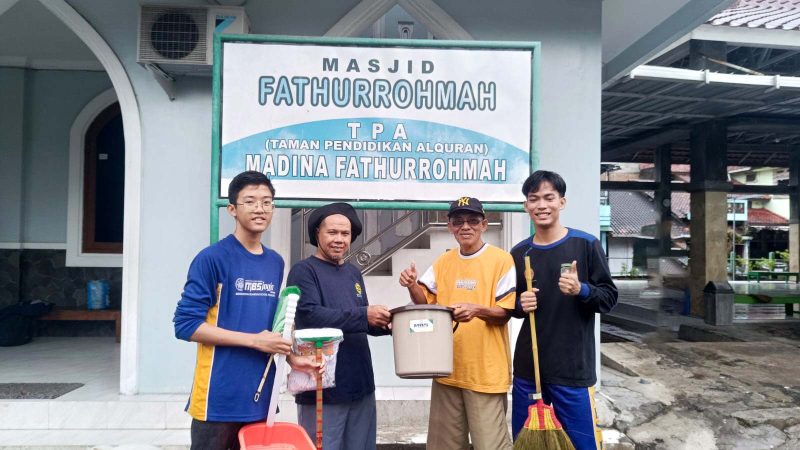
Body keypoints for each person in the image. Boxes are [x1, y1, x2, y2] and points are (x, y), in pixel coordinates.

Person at [173, 171, 319, 450]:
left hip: (261, 396)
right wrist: (254, 341)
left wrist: (292, 358)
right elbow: (185, 325)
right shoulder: (211, 258)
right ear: (232, 209)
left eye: (267, 202)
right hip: (217, 399)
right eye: (250, 201)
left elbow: (271, 327)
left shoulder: (275, 262)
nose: (259, 208)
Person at [509, 170, 618, 450]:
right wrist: (520, 304)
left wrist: (582, 289)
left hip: (572, 369)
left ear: (562, 202)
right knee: (528, 444)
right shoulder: (519, 253)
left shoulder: (586, 244)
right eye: (534, 199)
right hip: (529, 369)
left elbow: (608, 298)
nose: (541, 205)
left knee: (582, 444)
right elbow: (510, 305)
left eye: (549, 198)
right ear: (526, 206)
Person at [399, 196, 516, 450]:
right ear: (449, 226)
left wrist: (477, 310)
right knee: (444, 445)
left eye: (473, 220)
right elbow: (425, 302)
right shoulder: (444, 261)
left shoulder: (501, 260)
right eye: (458, 221)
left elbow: (506, 311)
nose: (466, 227)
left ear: (484, 224)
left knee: (491, 445)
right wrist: (412, 285)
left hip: (485, 372)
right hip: (446, 370)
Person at [287, 202, 392, 450]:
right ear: (317, 234)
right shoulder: (303, 271)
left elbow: (360, 320)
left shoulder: (353, 273)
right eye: (332, 232)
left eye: (345, 234)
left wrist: (388, 323)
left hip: (361, 384)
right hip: (322, 386)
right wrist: (364, 315)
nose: (339, 239)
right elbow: (311, 317)